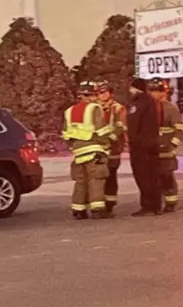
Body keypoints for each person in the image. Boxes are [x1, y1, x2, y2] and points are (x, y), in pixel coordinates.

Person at [62, 81, 113, 219]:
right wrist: (106, 146)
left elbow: (66, 134)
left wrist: (74, 147)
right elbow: (101, 130)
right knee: (96, 180)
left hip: (78, 152)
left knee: (80, 181)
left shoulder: (69, 111)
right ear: (92, 95)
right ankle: (98, 210)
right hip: (94, 149)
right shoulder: (94, 108)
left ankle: (79, 210)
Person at [126, 78, 162, 216]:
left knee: (143, 176)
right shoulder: (151, 102)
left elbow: (133, 124)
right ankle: (157, 205)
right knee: (154, 175)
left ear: (135, 88)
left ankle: (147, 206)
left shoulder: (137, 103)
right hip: (153, 143)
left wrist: (132, 140)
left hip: (140, 145)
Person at [148, 79, 183, 212]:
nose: (154, 94)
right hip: (152, 150)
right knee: (154, 178)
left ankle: (171, 202)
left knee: (167, 176)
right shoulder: (148, 107)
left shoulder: (170, 108)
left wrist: (172, 144)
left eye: (157, 91)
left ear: (163, 92)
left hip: (167, 149)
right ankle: (157, 203)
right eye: (152, 91)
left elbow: (179, 129)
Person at [96, 81, 127, 214]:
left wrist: (110, 139)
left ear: (110, 93)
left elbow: (121, 126)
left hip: (113, 147)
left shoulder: (118, 108)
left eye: (104, 92)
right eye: (99, 93)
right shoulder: (94, 108)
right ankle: (98, 202)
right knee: (98, 177)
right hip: (97, 147)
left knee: (111, 176)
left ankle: (110, 204)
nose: (102, 95)